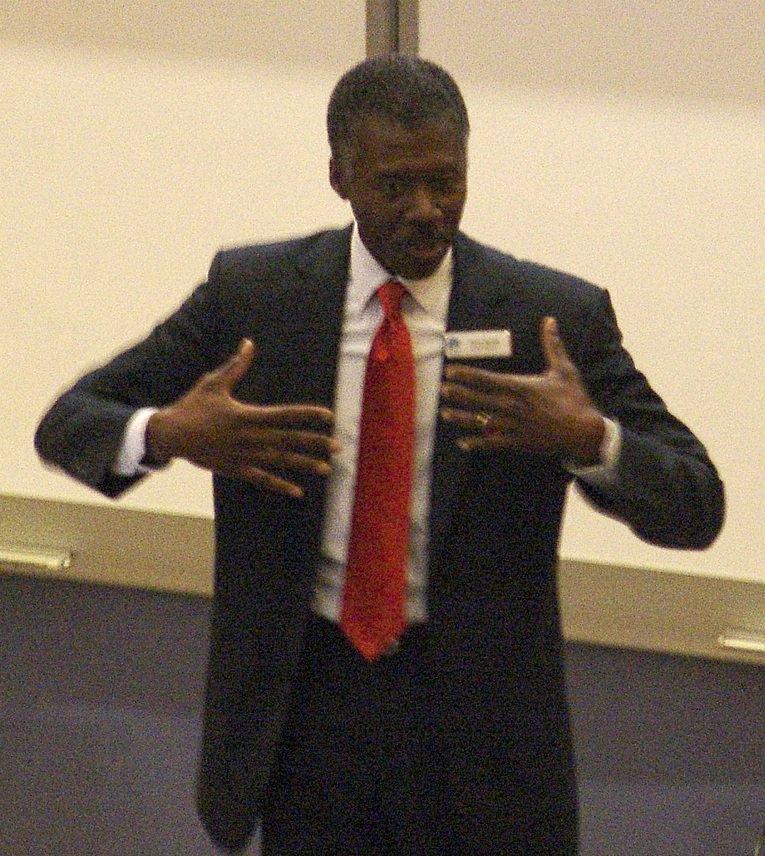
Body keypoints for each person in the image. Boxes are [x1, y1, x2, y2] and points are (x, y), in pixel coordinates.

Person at [35, 55, 724, 855]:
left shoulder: (548, 315)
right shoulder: (256, 295)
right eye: (395, 187)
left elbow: (695, 505)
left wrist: (589, 440)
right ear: (339, 177)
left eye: (448, 182)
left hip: (478, 734)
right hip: (306, 715)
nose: (427, 211)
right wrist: (165, 435)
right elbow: (69, 423)